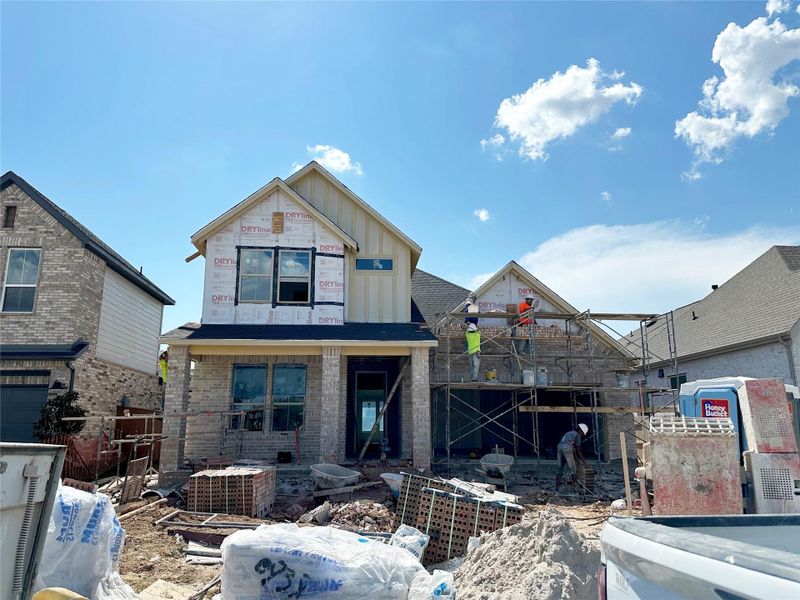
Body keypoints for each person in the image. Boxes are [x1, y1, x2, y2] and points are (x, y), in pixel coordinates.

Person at [556, 423, 589, 490]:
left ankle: (556, 489)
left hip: (559, 448)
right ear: (580, 431)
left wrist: (577, 459)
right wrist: (584, 461)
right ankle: (574, 489)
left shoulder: (569, 433)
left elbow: (573, 451)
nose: (582, 435)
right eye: (583, 434)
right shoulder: (578, 435)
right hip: (567, 449)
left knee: (560, 469)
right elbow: (578, 449)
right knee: (573, 469)